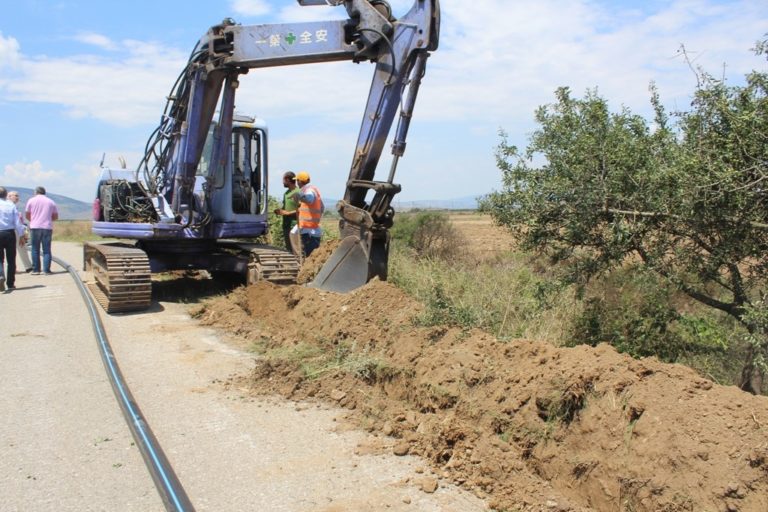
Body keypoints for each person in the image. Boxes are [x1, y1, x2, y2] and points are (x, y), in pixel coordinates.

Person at [25, 186, 59, 275]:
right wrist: (48, 219)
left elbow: (27, 214)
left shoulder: (31, 200)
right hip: (47, 227)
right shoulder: (51, 201)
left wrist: (33, 220)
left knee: (35, 249)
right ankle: (46, 270)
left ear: (36, 192)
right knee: (47, 249)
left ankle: (36, 269)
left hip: (35, 227)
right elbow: (55, 216)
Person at [0, 186, 26, 291]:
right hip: (9, 233)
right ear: (6, 195)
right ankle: (10, 283)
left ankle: (0, 275)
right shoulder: (10, 205)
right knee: (11, 259)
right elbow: (17, 222)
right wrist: (21, 235)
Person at [295, 171, 324, 258]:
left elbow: (309, 199)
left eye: (297, 181)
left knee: (309, 257)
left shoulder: (309, 191)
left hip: (309, 231)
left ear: (300, 181)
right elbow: (322, 208)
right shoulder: (314, 189)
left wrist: (298, 195)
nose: (296, 183)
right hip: (311, 229)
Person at [273, 171, 301, 255]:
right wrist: (280, 211)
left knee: (297, 250)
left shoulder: (298, 192)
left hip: (295, 226)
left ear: (288, 180)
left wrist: (288, 213)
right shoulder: (286, 194)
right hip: (286, 225)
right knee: (289, 250)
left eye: (283, 180)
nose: (282, 182)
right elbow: (285, 209)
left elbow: (302, 209)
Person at [7, 190, 33, 273]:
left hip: (14, 230)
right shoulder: (10, 206)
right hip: (12, 230)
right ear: (9, 196)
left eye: (18, 196)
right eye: (15, 195)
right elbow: (16, 221)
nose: (17, 197)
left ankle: (26, 266)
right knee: (18, 248)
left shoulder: (13, 206)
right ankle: (27, 266)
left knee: (19, 248)